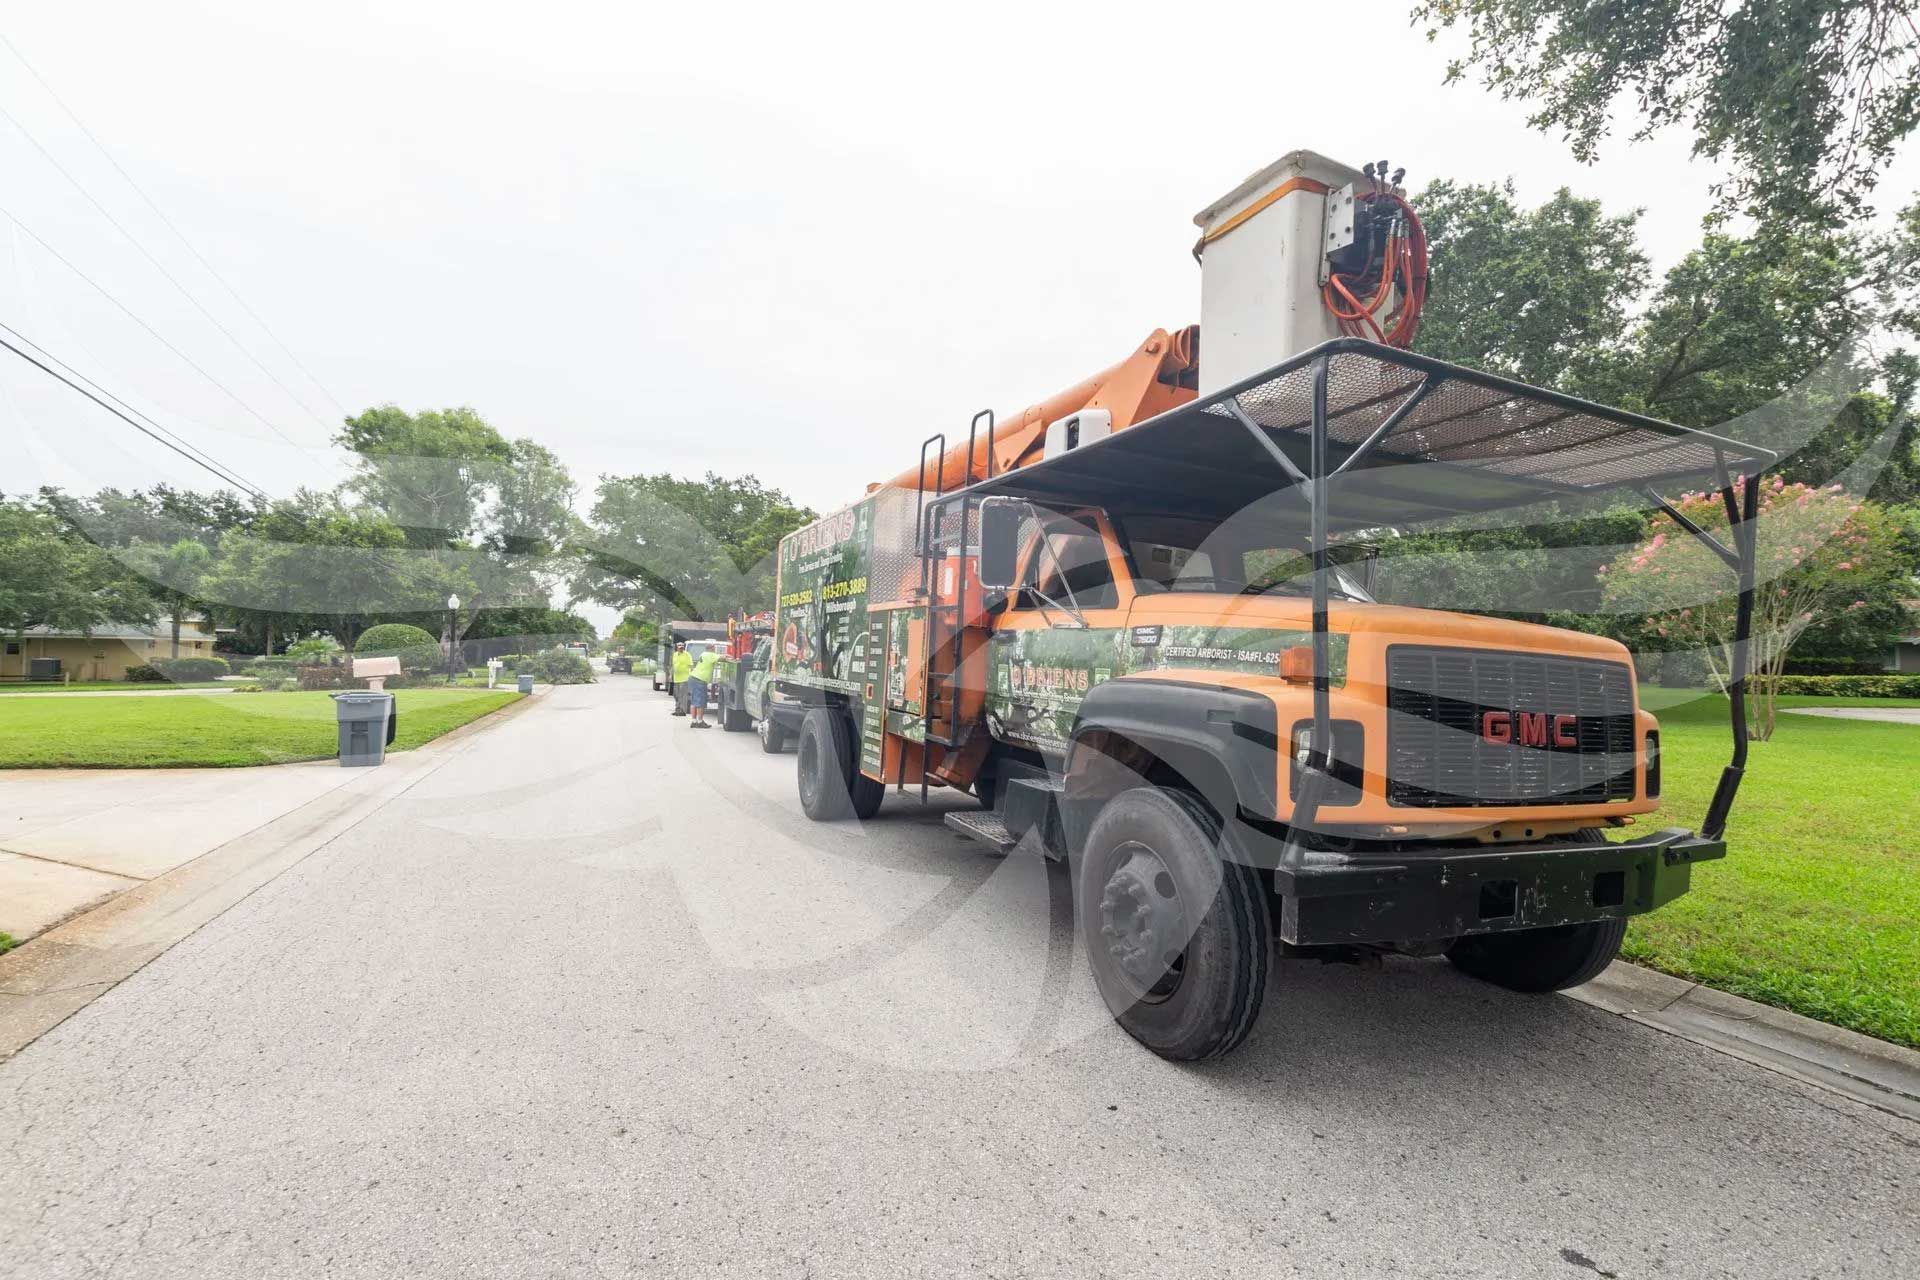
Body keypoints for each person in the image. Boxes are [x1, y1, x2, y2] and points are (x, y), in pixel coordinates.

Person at [686, 644, 720, 728]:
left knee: (694, 701)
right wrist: (728, 657)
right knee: (700, 701)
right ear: (711, 648)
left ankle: (694, 721)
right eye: (714, 648)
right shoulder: (710, 655)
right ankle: (700, 722)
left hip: (693, 677)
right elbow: (722, 658)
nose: (715, 649)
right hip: (699, 679)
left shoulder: (703, 654)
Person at [670, 642, 692, 716]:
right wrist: (670, 675)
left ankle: (682, 711)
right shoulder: (675, 654)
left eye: (682, 647)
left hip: (684, 678)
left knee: (683, 695)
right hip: (676, 678)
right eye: (679, 647)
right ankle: (677, 709)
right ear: (677, 648)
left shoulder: (687, 654)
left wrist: (691, 675)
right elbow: (673, 665)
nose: (681, 648)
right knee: (676, 694)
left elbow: (690, 665)